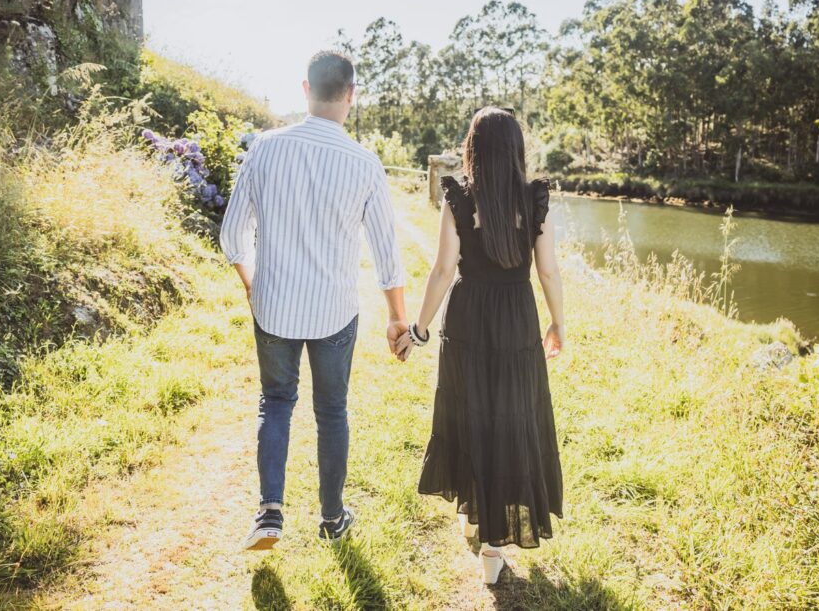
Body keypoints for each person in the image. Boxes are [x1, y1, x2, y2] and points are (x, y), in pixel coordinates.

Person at [220, 50, 408, 550]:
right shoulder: (365, 164)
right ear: (351, 95)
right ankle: (331, 518)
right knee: (332, 411)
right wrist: (398, 319)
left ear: (305, 90)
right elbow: (388, 255)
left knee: (276, 402)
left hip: (275, 306)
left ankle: (269, 516)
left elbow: (232, 233)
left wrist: (250, 282)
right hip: (334, 313)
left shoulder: (263, 148)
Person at [396, 107, 565, 584]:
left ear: (472, 149)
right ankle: (492, 547)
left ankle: (480, 522)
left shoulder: (459, 199)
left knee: (473, 410)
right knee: (511, 415)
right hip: (515, 317)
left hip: (469, 315)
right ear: (516, 150)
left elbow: (442, 271)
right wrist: (557, 323)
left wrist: (420, 328)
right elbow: (548, 270)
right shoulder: (534, 199)